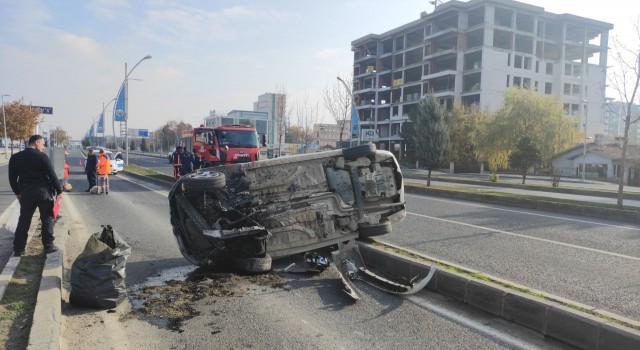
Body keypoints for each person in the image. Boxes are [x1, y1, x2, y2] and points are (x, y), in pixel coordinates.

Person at [8, 134, 63, 256]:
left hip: (26, 193)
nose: (44, 147)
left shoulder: (15, 158)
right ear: (37, 142)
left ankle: (19, 249)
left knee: (24, 220)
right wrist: (59, 191)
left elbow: (12, 178)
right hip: (43, 193)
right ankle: (48, 247)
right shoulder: (42, 157)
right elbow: (53, 176)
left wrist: (17, 193)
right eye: (43, 144)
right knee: (47, 219)